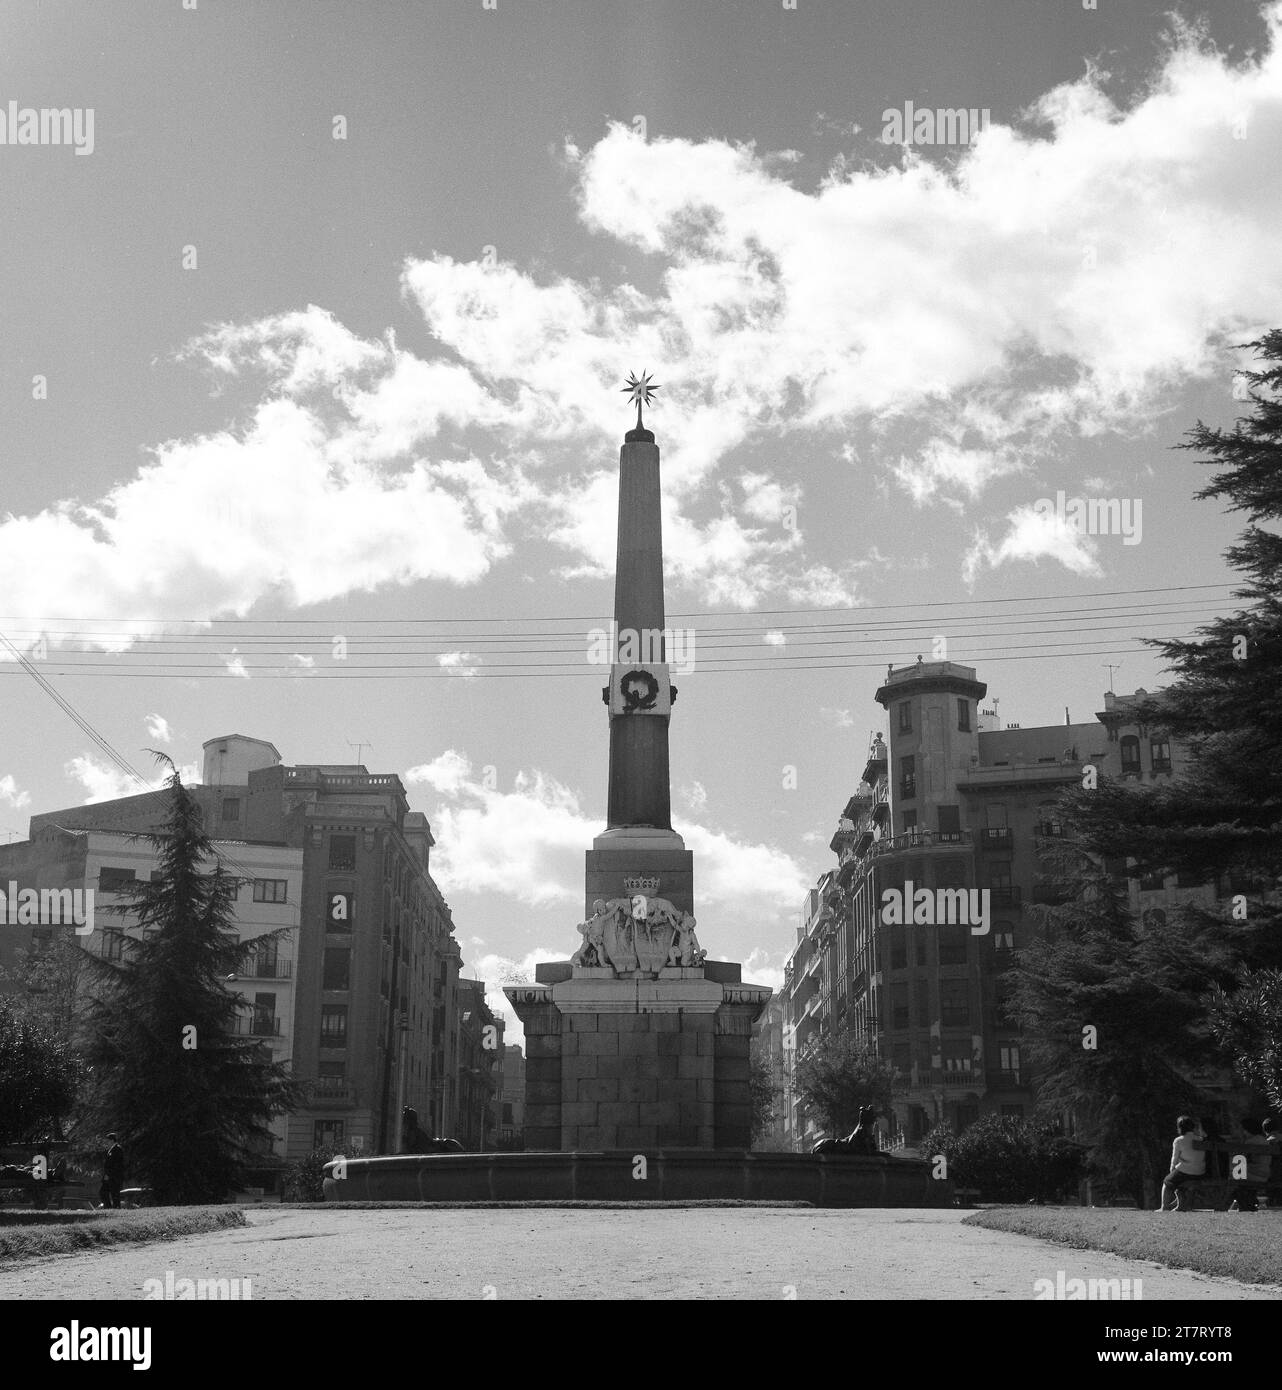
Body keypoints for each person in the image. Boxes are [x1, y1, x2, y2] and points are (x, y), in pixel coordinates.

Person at [1159, 1115, 1205, 1212]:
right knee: (1178, 1179)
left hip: (1186, 1171)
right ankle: (1180, 1206)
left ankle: (1164, 1207)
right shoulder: (1200, 1139)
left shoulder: (1179, 1140)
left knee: (1167, 1182)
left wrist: (1172, 1169)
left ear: (1180, 1128)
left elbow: (1174, 1158)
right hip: (1200, 1172)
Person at [1225, 1117, 1271, 1212]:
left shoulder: (1250, 1142)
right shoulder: (1264, 1140)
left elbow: (1241, 1160)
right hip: (1264, 1175)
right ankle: (1245, 1203)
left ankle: (1226, 1202)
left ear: (1246, 1130)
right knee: (1237, 1176)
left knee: (1233, 1175)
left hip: (1254, 1175)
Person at [102, 1133, 125, 1209]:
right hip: (109, 1176)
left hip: (114, 1176)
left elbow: (117, 1164)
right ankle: (108, 1207)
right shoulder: (111, 1150)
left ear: (112, 1140)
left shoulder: (117, 1149)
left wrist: (109, 1174)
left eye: (107, 1141)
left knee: (115, 1193)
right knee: (103, 1192)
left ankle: (116, 1208)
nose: (106, 1142)